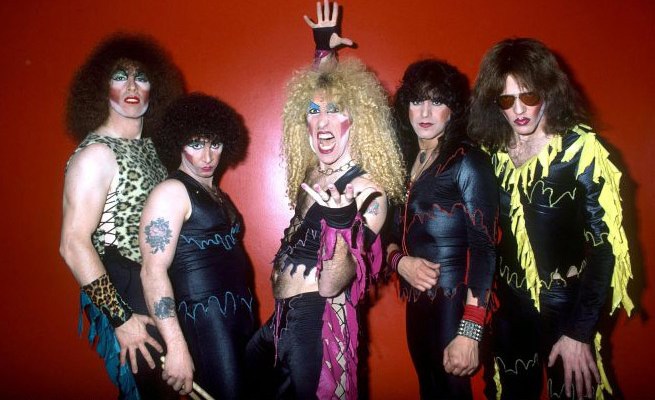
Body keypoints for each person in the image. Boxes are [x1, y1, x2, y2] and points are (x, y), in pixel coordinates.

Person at [246, 2, 405, 399]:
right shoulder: (316, 170)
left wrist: (338, 223)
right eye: (313, 112)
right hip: (280, 319)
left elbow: (333, 282)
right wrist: (323, 51)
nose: (321, 121)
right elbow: (325, 93)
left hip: (317, 326)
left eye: (335, 111)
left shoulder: (368, 193)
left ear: (359, 121)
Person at [468, 38, 633, 399]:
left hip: (567, 309)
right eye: (506, 100)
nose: (518, 110)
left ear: (547, 91)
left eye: (528, 96)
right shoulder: (491, 153)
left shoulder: (581, 151)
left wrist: (580, 331)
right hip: (510, 308)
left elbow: (606, 249)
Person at [60, 33, 184, 399]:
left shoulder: (152, 149)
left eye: (141, 77)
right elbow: (72, 244)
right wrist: (122, 318)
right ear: (101, 87)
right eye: (120, 76)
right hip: (127, 291)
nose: (131, 86)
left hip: (160, 285)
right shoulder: (96, 154)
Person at [386, 59, 498, 399]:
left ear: (453, 109)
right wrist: (400, 262)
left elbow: (485, 248)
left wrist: (470, 329)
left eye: (437, 101)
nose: (425, 112)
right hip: (417, 303)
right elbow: (387, 234)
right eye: (417, 100)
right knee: (430, 390)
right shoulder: (404, 162)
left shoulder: (468, 161)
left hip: (457, 306)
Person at [140, 93, 255, 399]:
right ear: (178, 143)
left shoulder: (217, 193)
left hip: (238, 316)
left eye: (214, 144)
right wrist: (176, 346)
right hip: (206, 321)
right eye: (195, 144)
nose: (207, 157)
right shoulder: (171, 192)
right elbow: (152, 271)